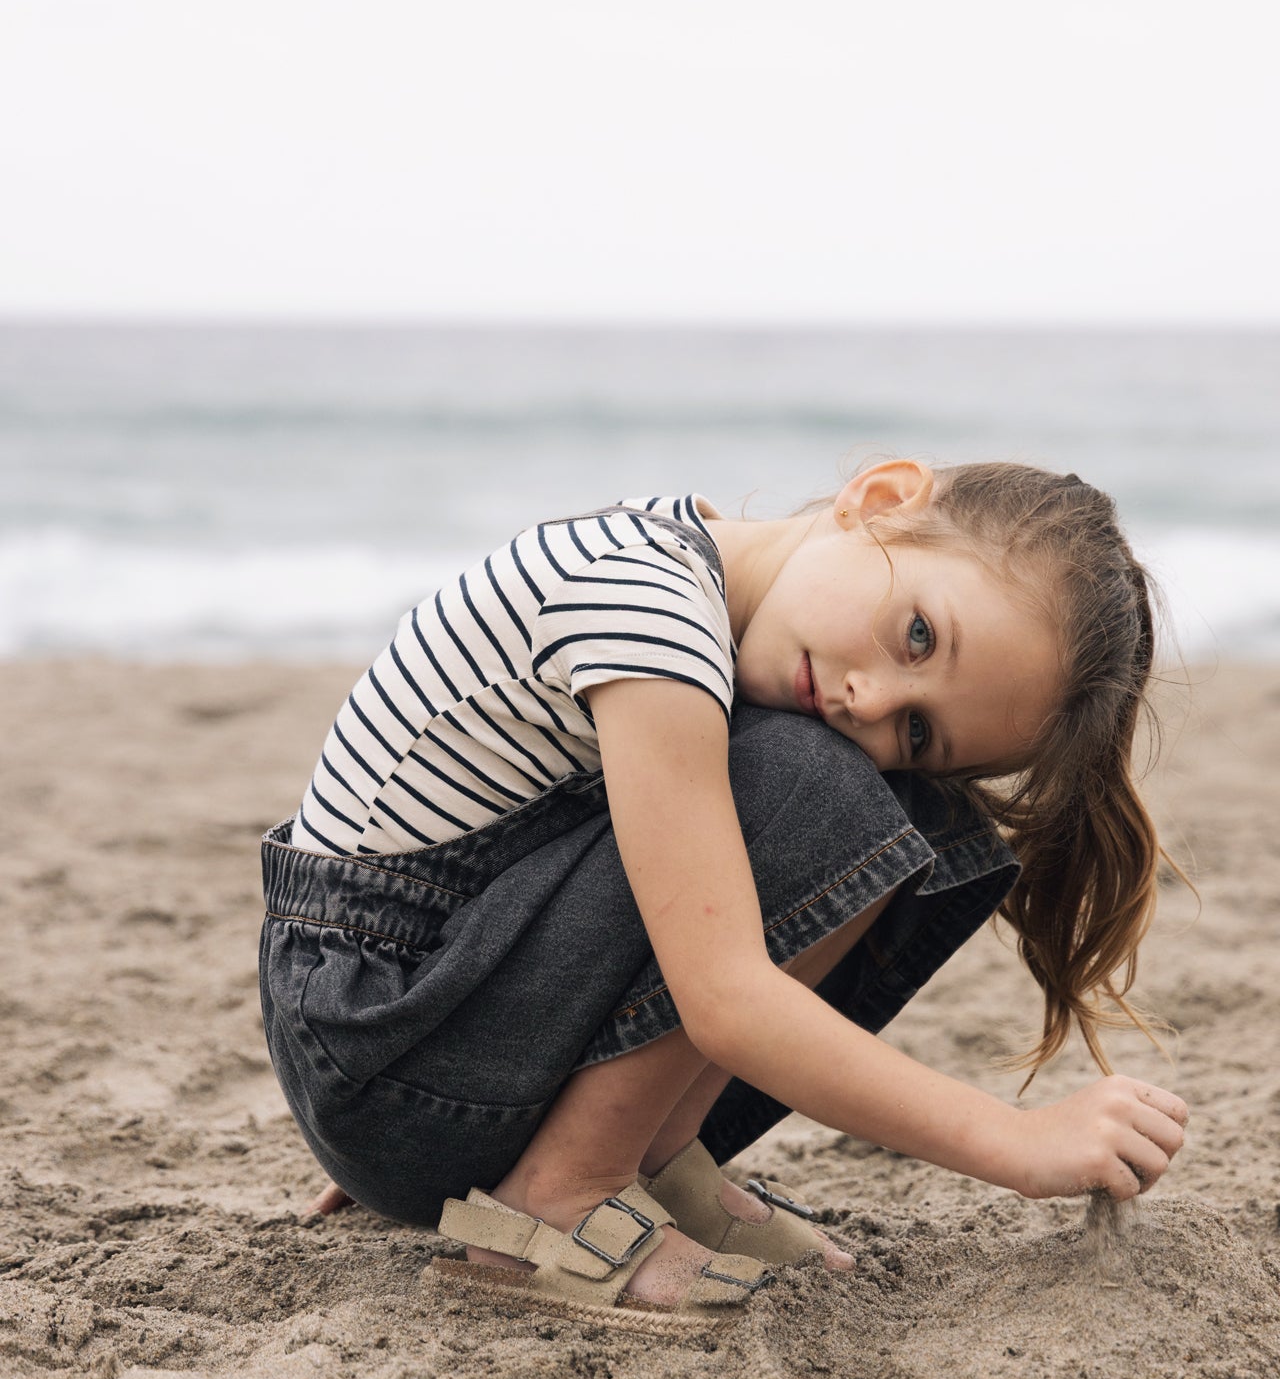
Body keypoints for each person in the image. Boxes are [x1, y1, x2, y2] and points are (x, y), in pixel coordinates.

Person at [258, 458, 1188, 1325]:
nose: (870, 699)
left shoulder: (689, 567)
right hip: (385, 1047)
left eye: (917, 727)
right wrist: (1017, 1144)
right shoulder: (649, 608)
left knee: (910, 813)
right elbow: (726, 999)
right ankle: (563, 1192)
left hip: (406, 1051)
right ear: (881, 499)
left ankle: (654, 1164)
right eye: (918, 635)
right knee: (821, 789)